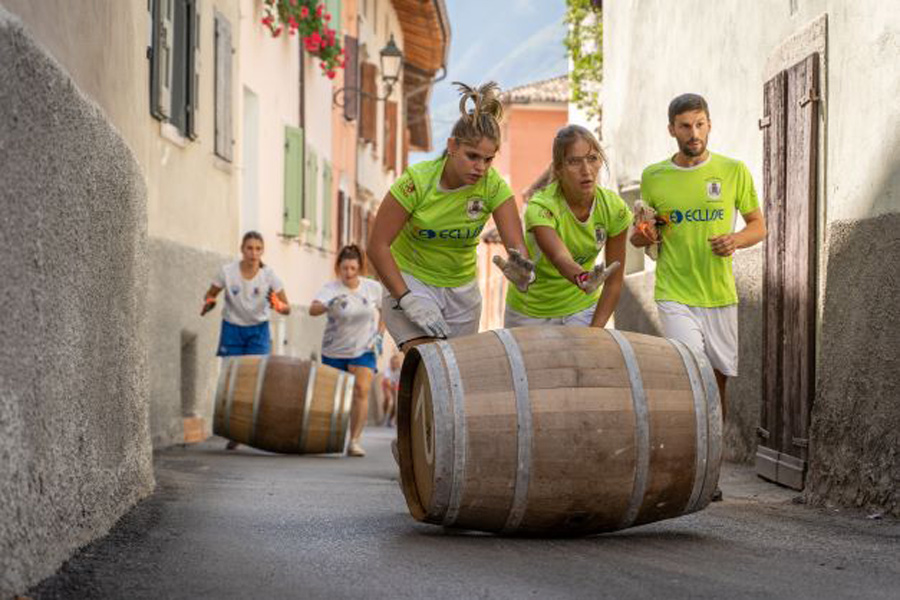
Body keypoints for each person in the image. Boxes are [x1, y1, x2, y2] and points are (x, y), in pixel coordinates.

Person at [631, 94, 766, 500]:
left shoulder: (732, 170)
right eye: (686, 126)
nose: (694, 133)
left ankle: (711, 472)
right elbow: (641, 234)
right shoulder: (654, 176)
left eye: (700, 124)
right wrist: (645, 233)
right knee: (692, 373)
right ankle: (687, 468)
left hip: (720, 296)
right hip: (674, 291)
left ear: (709, 124)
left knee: (717, 382)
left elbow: (758, 225)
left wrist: (736, 240)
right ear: (671, 129)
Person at [367, 81, 536, 352]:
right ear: (452, 146)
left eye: (488, 159)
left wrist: (523, 270)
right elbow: (377, 246)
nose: (480, 168)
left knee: (457, 370)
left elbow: (516, 246)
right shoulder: (417, 182)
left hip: (461, 290)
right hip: (411, 280)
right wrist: (406, 298)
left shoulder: (493, 186)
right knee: (427, 361)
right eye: (473, 156)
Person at [504, 125, 632, 328]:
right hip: (531, 311)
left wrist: (595, 331)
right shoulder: (541, 206)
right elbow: (559, 257)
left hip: (581, 309)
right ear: (558, 168)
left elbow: (614, 283)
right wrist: (583, 278)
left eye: (592, 158)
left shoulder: (614, 208)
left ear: (600, 161)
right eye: (574, 161)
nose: (586, 170)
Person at [201, 231, 290, 450]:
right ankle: (235, 430)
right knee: (232, 379)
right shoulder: (227, 272)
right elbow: (210, 294)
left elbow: (286, 307)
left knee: (254, 379)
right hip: (232, 328)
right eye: (249, 248)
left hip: (258, 330)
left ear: (262, 251)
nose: (253, 253)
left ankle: (250, 427)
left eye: (258, 249)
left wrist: (278, 305)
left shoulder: (269, 276)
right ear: (242, 249)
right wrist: (209, 302)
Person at [309, 245, 384, 457]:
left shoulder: (372, 288)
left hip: (364, 348)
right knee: (334, 395)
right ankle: (329, 436)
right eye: (345, 268)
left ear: (359, 268)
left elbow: (386, 310)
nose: (349, 273)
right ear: (338, 268)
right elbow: (312, 310)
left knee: (361, 390)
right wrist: (327, 304)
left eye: (353, 268)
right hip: (334, 350)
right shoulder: (330, 289)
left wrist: (379, 335)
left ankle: (354, 440)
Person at [380, 352, 402, 427]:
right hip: (387, 386)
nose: (394, 364)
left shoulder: (399, 371)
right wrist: (393, 388)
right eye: (393, 363)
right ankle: (385, 416)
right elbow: (387, 382)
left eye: (396, 363)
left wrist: (395, 388)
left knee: (396, 403)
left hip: (395, 386)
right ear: (391, 363)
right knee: (389, 400)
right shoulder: (388, 370)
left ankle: (391, 419)